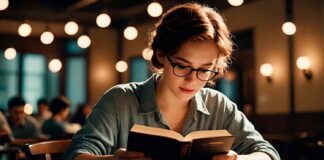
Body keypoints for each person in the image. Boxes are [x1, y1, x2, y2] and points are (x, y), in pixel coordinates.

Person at [63, 3, 280, 160]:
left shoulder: (218, 105)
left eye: (205, 70)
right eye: (182, 66)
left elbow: (268, 153)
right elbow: (75, 155)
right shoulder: (120, 101)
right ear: (159, 55)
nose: (193, 79)